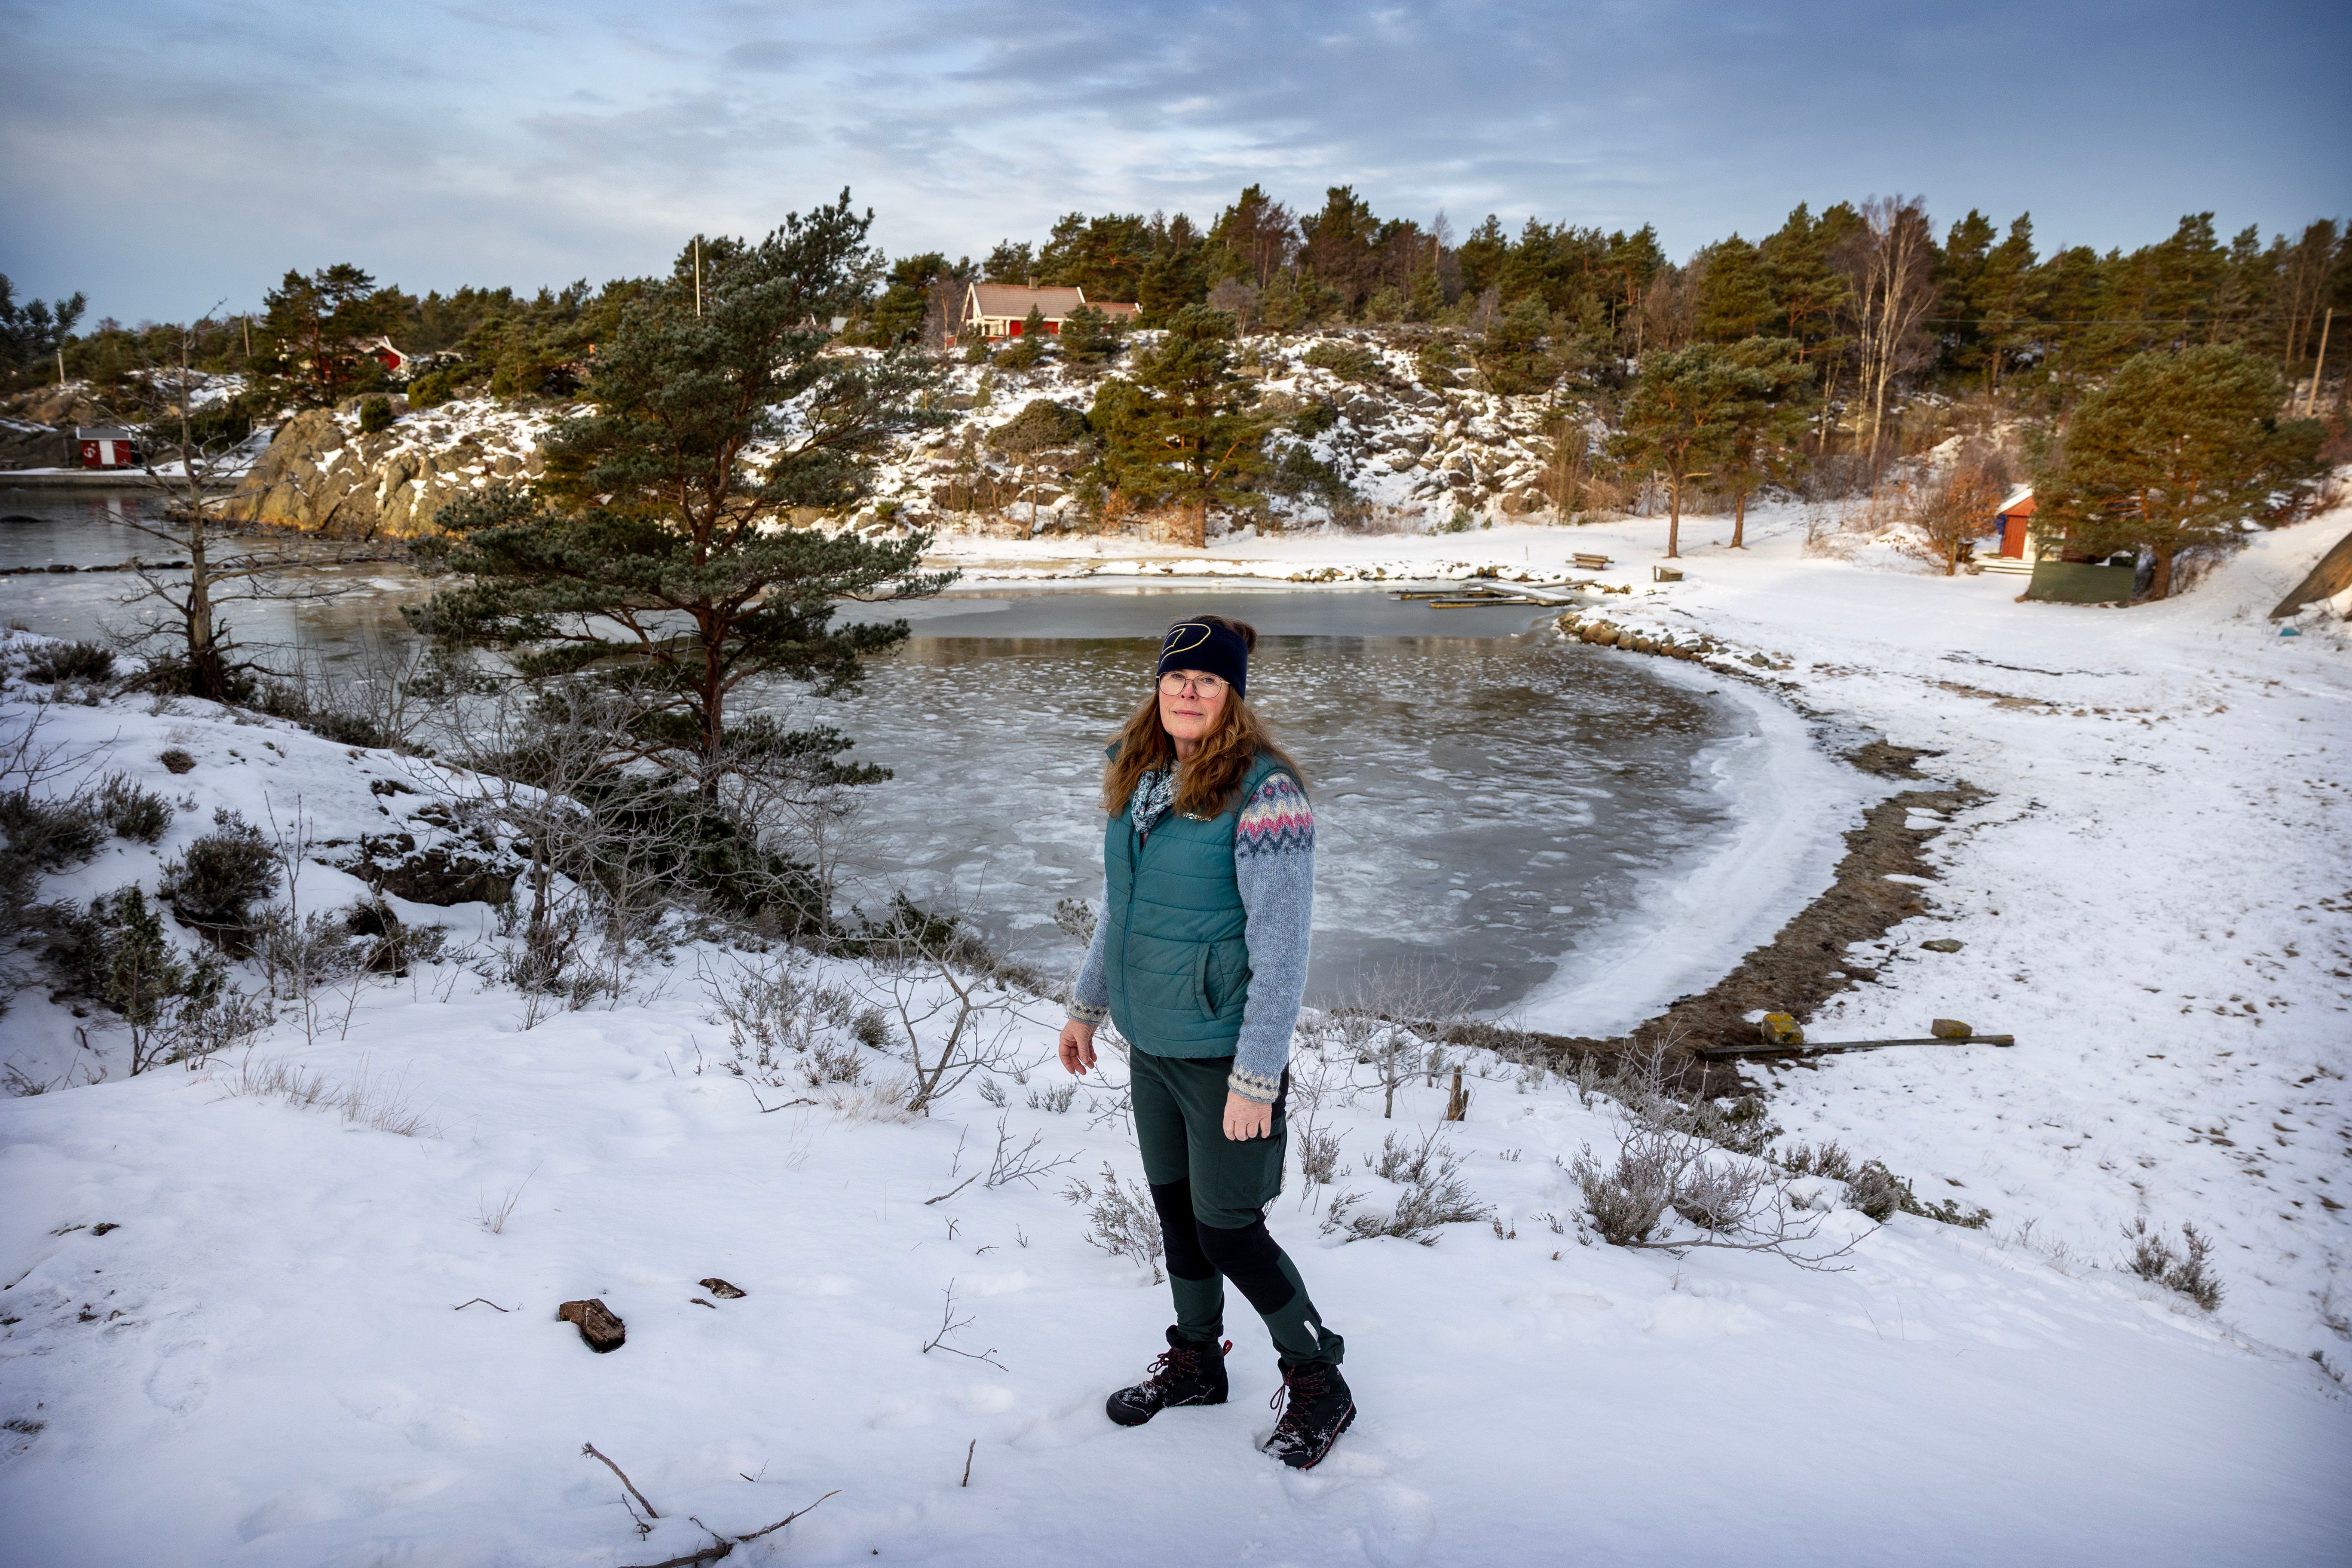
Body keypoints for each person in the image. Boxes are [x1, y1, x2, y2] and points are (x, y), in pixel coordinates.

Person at [1058, 613, 1354, 1470]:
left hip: (1226, 1055)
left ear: (1232, 697)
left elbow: (1282, 950)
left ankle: (1318, 1377)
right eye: (1177, 676)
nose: (1188, 691)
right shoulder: (1136, 771)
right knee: (1177, 1214)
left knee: (1230, 1229)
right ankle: (1196, 1362)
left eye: (1209, 680)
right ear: (1159, 685)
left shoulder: (1267, 796)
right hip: (1152, 1041)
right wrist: (1088, 1005)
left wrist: (1256, 1075)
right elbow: (1123, 904)